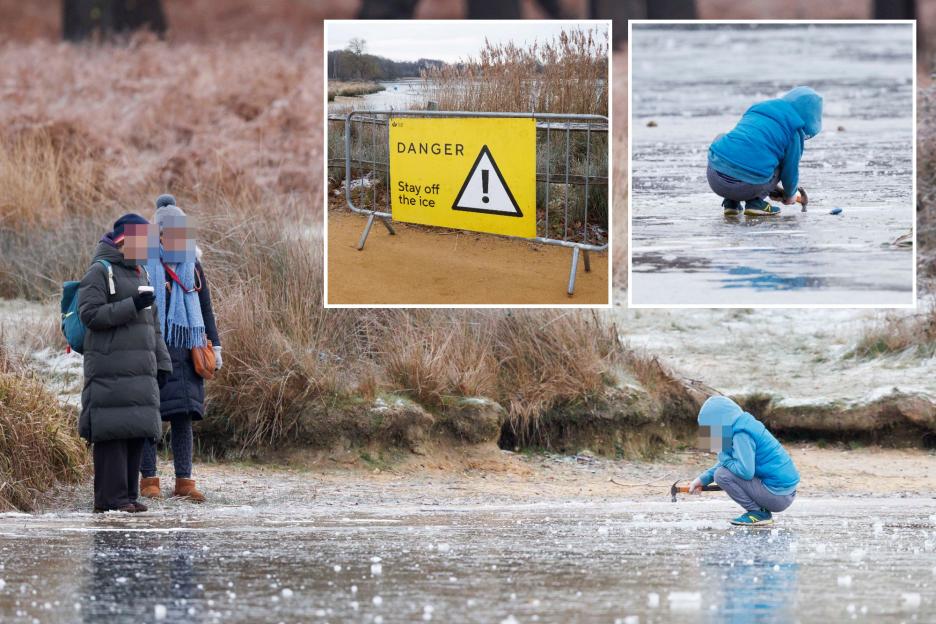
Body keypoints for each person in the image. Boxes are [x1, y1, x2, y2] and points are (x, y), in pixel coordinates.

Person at [79, 213, 170, 513]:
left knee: (134, 430)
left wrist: (163, 362)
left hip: (139, 369)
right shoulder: (98, 271)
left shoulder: (141, 273)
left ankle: (129, 496)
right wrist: (132, 305)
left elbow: (153, 324)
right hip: (110, 367)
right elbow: (90, 315)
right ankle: (111, 499)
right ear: (125, 242)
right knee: (113, 432)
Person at [140, 194, 221, 503]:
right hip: (151, 348)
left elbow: (205, 307)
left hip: (187, 351)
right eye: (166, 230)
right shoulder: (141, 260)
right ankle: (149, 480)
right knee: (149, 418)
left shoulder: (193, 263)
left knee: (184, 417)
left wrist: (217, 346)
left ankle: (184, 482)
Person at [706, 86, 822, 216]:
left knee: (725, 139)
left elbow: (744, 148)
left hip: (714, 178)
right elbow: (790, 170)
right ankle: (755, 203)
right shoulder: (793, 131)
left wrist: (773, 189)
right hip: (747, 187)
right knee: (780, 160)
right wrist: (790, 195)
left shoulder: (757, 109)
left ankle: (731, 203)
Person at [689, 396, 800, 526]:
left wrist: (722, 455)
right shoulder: (743, 425)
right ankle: (759, 511)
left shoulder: (741, 435)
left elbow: (745, 471)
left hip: (778, 495)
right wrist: (703, 479)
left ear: (718, 423)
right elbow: (730, 462)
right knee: (722, 471)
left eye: (708, 428)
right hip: (784, 492)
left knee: (721, 475)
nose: (708, 433)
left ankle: (758, 513)